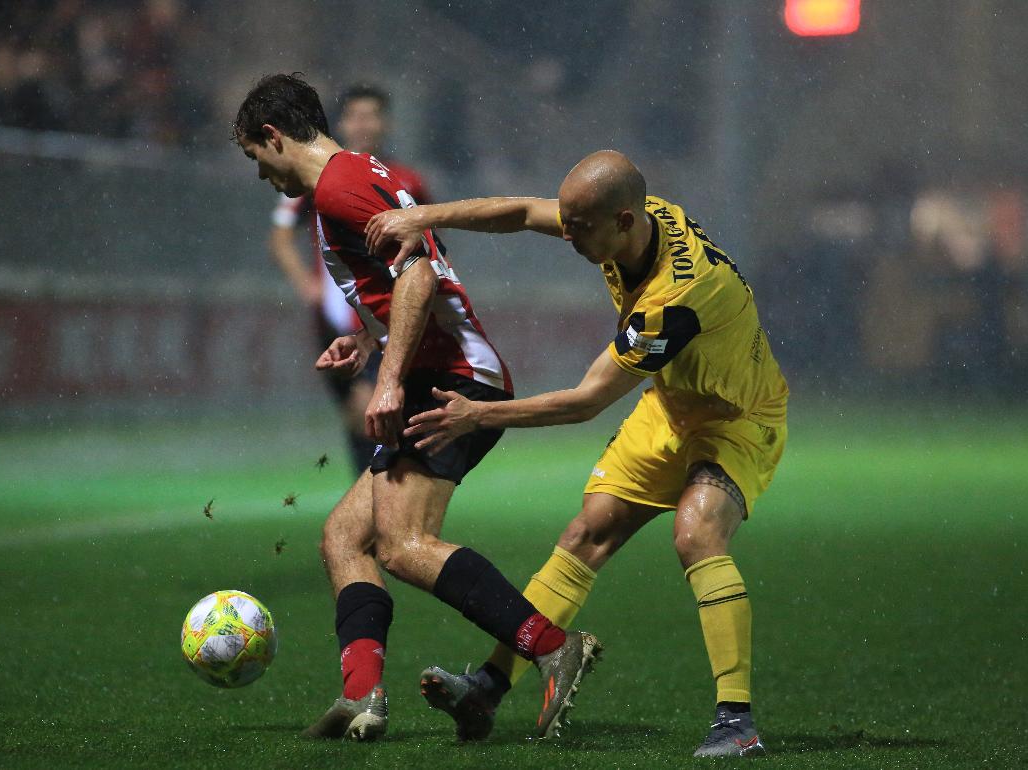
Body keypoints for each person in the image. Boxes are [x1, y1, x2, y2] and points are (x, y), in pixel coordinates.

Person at [365, 150, 788, 757]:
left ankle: (736, 722)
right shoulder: (631, 221)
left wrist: (477, 416)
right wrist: (422, 217)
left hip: (737, 420)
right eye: (567, 219)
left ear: (622, 220)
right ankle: (486, 688)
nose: (566, 233)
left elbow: (587, 400)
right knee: (584, 535)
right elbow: (519, 212)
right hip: (670, 408)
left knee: (696, 535)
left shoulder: (677, 300)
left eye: (579, 225)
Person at [233, 73, 602, 742]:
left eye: (255, 158)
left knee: (403, 547)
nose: (260, 174)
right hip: (438, 366)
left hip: (454, 378)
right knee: (345, 537)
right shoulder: (351, 177)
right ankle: (362, 697)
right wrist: (367, 338)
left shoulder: (340, 189)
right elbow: (409, 279)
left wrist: (389, 379)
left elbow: (422, 275)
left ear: (273, 136)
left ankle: (551, 646)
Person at [267, 84, 431, 474]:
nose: (364, 124)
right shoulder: (318, 175)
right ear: (341, 122)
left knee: (369, 406)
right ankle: (378, 499)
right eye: (356, 115)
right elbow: (279, 235)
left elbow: (432, 242)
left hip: (381, 315)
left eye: (372, 115)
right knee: (356, 413)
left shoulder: (407, 179)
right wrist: (307, 285)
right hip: (332, 319)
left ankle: (379, 502)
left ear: (386, 123)